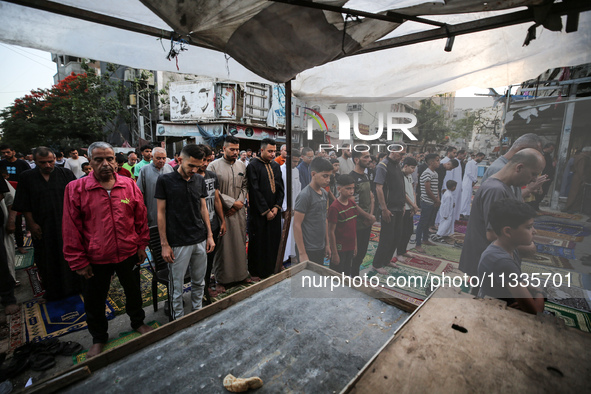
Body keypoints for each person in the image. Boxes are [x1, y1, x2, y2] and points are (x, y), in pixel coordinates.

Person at [62, 142, 152, 358]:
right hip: (96, 257)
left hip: (128, 252)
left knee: (133, 291)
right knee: (94, 299)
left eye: (110, 159)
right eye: (99, 160)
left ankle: (138, 322)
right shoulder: (76, 189)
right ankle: (99, 337)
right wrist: (79, 261)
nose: (105, 164)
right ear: (89, 161)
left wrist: (141, 245)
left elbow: (140, 218)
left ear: (115, 160)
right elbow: (70, 227)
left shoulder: (128, 185)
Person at [459, 148, 544, 282]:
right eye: (533, 174)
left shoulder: (504, 187)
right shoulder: (495, 190)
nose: (533, 179)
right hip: (489, 264)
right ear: (519, 167)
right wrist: (526, 247)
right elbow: (492, 234)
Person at [13, 147, 81, 301]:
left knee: (71, 255)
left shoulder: (65, 174)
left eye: (50, 161)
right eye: (43, 163)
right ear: (35, 161)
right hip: (42, 226)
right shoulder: (27, 177)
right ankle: (53, 290)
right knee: (46, 258)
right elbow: (24, 203)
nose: (48, 165)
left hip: (66, 223)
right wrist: (31, 223)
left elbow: (76, 198)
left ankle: (76, 286)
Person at [156, 144, 215, 319]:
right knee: (176, 286)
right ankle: (178, 320)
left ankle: (197, 312)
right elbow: (160, 213)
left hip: (199, 238)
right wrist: (164, 244)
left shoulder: (198, 180)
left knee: (199, 281)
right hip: (177, 241)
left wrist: (209, 235)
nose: (195, 170)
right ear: (180, 160)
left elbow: (203, 208)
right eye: (191, 165)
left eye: (198, 166)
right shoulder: (165, 181)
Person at [477, 199, 544, 314]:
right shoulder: (502, 261)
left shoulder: (509, 248)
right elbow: (534, 311)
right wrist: (539, 292)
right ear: (507, 231)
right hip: (493, 314)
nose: (534, 231)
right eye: (529, 227)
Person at [207, 136, 249, 289]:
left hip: (238, 212)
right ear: (223, 149)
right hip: (221, 212)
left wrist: (239, 203)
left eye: (237, 149)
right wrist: (232, 203)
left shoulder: (242, 166)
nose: (235, 152)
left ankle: (241, 275)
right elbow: (213, 191)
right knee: (223, 247)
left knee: (239, 243)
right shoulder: (213, 166)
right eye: (232, 149)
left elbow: (245, 186)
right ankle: (222, 279)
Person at [246, 138, 284, 279]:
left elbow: (281, 188)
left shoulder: (275, 166)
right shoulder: (253, 166)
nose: (273, 154)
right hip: (259, 213)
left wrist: (276, 207)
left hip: (274, 212)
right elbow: (254, 191)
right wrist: (266, 211)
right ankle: (257, 271)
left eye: (274, 151)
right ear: (261, 150)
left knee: (273, 240)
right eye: (270, 151)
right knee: (259, 242)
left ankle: (272, 267)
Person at [196, 145, 226, 303]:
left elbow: (216, 199)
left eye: (208, 160)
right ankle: (198, 290)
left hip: (212, 223)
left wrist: (222, 220)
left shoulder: (211, 176)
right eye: (203, 160)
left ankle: (206, 286)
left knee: (209, 259)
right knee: (197, 261)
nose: (205, 163)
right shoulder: (191, 176)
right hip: (196, 226)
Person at [371, 144, 407, 275]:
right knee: (386, 238)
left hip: (398, 206)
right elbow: (379, 188)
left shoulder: (397, 165)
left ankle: (386, 260)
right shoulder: (382, 166)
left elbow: (400, 186)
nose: (402, 157)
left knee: (396, 236)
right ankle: (376, 264)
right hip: (389, 208)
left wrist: (403, 204)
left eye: (403, 155)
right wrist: (384, 208)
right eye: (401, 154)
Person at [293, 157, 333, 265]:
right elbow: (296, 224)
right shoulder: (305, 195)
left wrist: (327, 244)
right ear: (313, 174)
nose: (328, 180)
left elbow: (324, 219)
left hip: (319, 246)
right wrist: (302, 253)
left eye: (329, 176)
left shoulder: (324, 193)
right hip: (307, 248)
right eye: (325, 176)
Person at [481, 133, 545, 199]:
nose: (534, 179)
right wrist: (528, 189)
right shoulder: (499, 170)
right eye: (534, 155)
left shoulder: (510, 170)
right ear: (522, 151)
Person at [349, 151, 376, 276]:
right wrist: (367, 216)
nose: (369, 159)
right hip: (356, 223)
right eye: (365, 157)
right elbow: (352, 203)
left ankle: (355, 276)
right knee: (353, 253)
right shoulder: (351, 178)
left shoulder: (366, 176)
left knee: (362, 253)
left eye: (369, 156)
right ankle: (351, 278)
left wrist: (370, 215)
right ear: (356, 160)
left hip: (367, 222)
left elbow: (371, 197)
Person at [0, 144, 30, 254]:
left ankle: (21, 245)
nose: (5, 154)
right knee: (7, 222)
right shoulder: (1, 164)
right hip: (5, 196)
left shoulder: (22, 163)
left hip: (20, 194)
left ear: (13, 152)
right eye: (3, 153)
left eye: (7, 152)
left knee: (18, 222)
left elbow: (28, 177)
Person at [328, 174, 358, 276]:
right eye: (348, 188)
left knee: (346, 273)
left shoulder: (352, 204)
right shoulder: (334, 207)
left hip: (350, 246)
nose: (351, 191)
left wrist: (355, 245)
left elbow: (353, 227)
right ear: (339, 189)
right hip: (340, 248)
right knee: (336, 276)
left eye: (353, 188)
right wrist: (335, 253)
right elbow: (331, 231)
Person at [137, 147, 174, 227]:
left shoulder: (169, 168)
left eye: (163, 158)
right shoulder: (144, 170)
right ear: (152, 157)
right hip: (152, 210)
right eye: (158, 158)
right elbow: (140, 192)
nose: (161, 161)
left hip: (169, 209)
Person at [395, 157, 419, 263]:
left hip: (411, 206)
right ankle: (399, 253)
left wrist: (415, 204)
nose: (413, 170)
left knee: (409, 231)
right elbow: (403, 194)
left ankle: (403, 250)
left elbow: (412, 190)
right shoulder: (400, 176)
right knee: (402, 231)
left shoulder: (409, 176)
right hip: (404, 207)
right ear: (405, 166)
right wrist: (412, 205)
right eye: (412, 168)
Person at [415, 154, 440, 254]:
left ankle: (425, 239)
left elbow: (436, 188)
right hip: (426, 201)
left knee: (428, 222)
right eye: (437, 160)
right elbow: (427, 189)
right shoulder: (427, 173)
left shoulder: (435, 173)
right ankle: (417, 244)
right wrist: (436, 200)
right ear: (431, 162)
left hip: (433, 201)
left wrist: (438, 198)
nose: (439, 163)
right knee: (422, 223)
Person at [281, 149, 301, 263]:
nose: (296, 164)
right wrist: (285, 208)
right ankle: (283, 258)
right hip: (285, 209)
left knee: (293, 233)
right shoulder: (280, 171)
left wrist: (297, 206)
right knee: (285, 233)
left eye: (297, 162)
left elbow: (298, 189)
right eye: (294, 161)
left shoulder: (296, 171)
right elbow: (281, 192)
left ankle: (292, 255)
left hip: (295, 207)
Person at [437, 147, 463, 223]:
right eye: (454, 152)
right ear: (449, 152)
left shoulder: (454, 162)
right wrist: (445, 188)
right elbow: (445, 179)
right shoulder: (444, 162)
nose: (455, 154)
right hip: (444, 188)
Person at [564, 147, 591, 213]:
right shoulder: (582, 158)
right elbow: (581, 170)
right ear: (586, 152)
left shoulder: (581, 157)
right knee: (575, 193)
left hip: (578, 177)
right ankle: (569, 207)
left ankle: (573, 208)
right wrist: (583, 179)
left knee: (577, 193)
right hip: (579, 178)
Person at [530, 142, 556, 211]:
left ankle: (536, 206)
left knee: (543, 192)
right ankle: (534, 206)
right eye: (551, 149)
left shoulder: (548, 156)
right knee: (537, 192)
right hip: (542, 176)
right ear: (546, 148)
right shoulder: (542, 155)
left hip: (547, 177)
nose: (551, 151)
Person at [460, 152, 485, 218]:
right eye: (481, 158)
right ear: (477, 156)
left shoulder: (476, 165)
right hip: (467, 183)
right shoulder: (470, 163)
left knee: (468, 198)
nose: (481, 160)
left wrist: (474, 181)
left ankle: (466, 213)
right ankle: (462, 213)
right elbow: (469, 173)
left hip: (471, 183)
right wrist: (475, 180)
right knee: (465, 198)